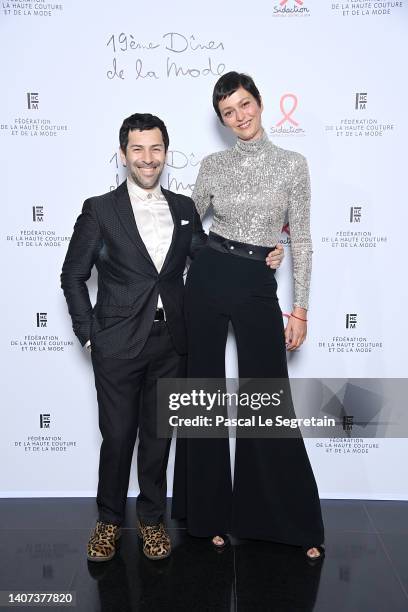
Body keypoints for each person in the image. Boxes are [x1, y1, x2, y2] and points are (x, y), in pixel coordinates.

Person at [61, 112, 285, 562]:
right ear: (123, 154)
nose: (148, 159)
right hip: (117, 344)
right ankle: (107, 522)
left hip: (171, 344)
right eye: (138, 149)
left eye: (156, 148)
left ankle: (150, 521)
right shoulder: (99, 209)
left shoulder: (184, 209)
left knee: (159, 439)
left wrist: (262, 252)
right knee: (119, 436)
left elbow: (208, 253)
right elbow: (73, 276)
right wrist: (90, 336)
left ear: (166, 152)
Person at [172, 72, 325, 561]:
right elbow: (189, 230)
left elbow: (299, 238)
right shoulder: (214, 165)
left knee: (267, 395)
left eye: (244, 105)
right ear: (221, 120)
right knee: (204, 391)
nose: (239, 117)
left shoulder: (292, 164)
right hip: (210, 277)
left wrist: (299, 307)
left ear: (260, 103)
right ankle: (206, 517)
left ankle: (283, 520)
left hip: (259, 282)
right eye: (228, 112)